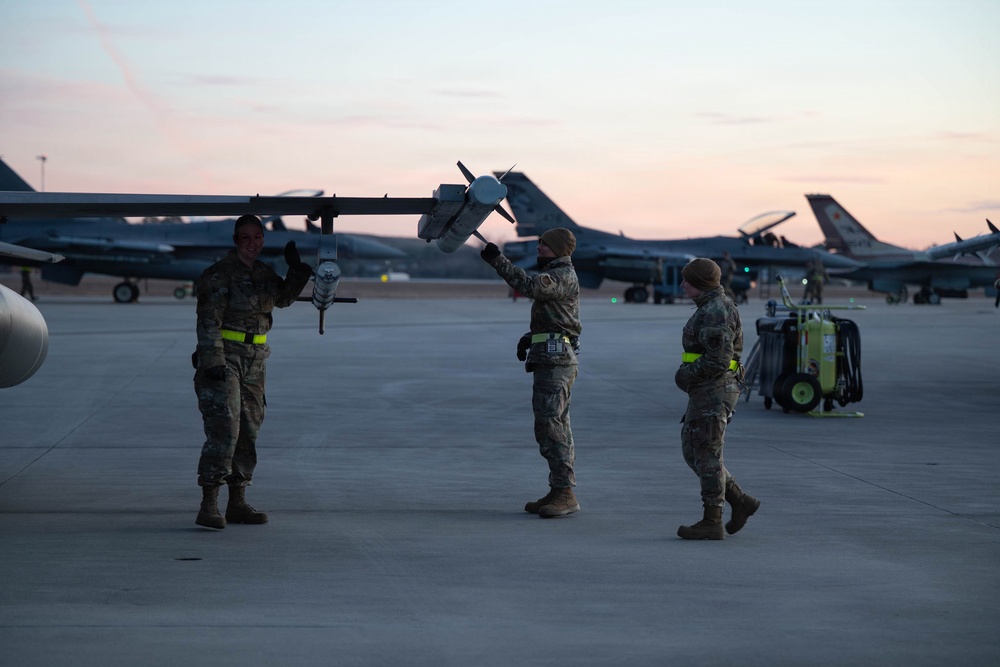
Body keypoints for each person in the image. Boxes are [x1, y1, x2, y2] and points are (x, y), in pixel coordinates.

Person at [192, 214, 313, 529]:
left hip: (255, 360)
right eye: (245, 237)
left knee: (249, 431)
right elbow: (208, 321)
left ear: (262, 239)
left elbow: (283, 299)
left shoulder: (264, 273)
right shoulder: (218, 275)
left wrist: (298, 273)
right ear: (235, 240)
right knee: (225, 430)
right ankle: (209, 505)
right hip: (224, 360)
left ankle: (237, 503)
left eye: (257, 237)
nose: (252, 243)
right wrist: (213, 360)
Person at [480, 228, 582, 518]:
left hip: (556, 362)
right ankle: (558, 488)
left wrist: (499, 261)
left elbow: (529, 286)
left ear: (559, 249)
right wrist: (532, 337)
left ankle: (565, 493)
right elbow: (558, 318)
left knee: (552, 425)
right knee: (551, 424)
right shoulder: (558, 274)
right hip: (551, 356)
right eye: (539, 243)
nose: (539, 248)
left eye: (545, 245)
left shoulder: (560, 276)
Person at [674, 258, 759, 540]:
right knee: (693, 450)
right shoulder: (709, 307)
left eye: (687, 279)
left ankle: (712, 520)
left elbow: (718, 361)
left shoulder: (715, 312)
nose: (683, 283)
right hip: (706, 389)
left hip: (714, 388)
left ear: (699, 282)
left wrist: (685, 375)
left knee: (707, 453)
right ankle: (740, 500)